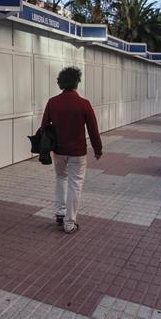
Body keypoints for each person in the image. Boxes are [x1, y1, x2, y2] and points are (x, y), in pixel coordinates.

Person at [39, 66, 102, 234]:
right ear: (77, 82)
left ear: (61, 83)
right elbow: (93, 130)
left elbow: (44, 126)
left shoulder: (53, 102)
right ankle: (69, 223)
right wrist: (98, 149)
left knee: (61, 179)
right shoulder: (84, 104)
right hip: (78, 152)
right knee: (75, 184)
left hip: (58, 151)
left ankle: (60, 213)